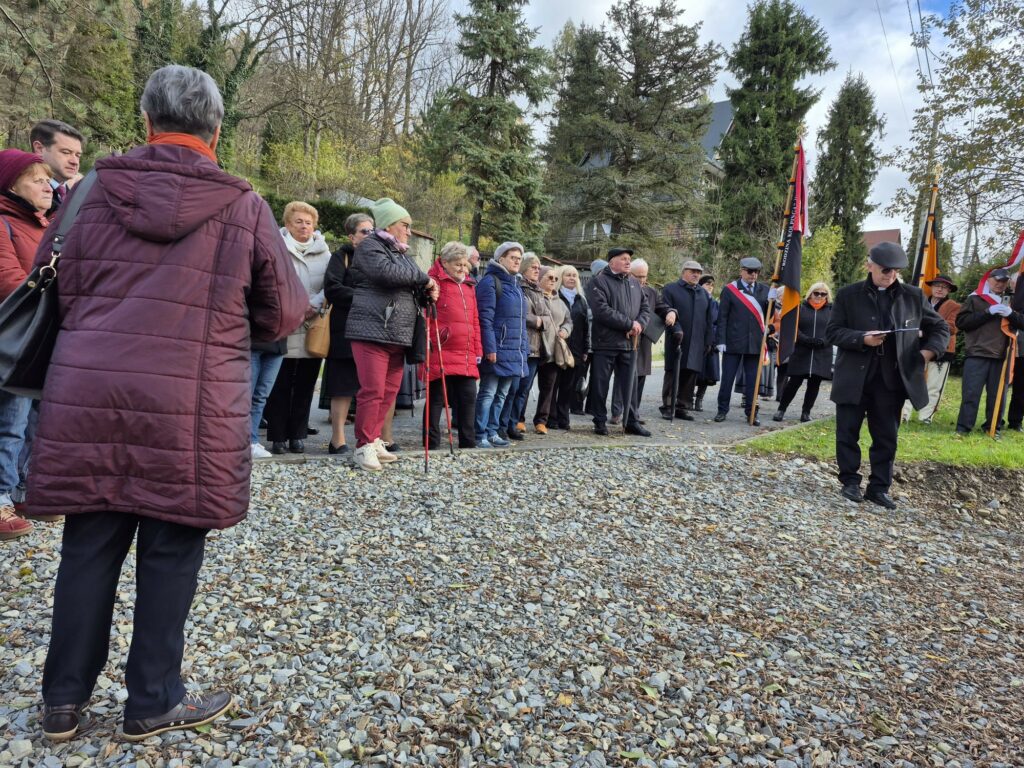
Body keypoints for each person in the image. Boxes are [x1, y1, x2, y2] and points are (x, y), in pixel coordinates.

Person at [25, 64, 307, 742]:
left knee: (88, 545)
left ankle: (61, 706)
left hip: (90, 392)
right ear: (215, 129)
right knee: (172, 549)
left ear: (147, 122)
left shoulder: (89, 191)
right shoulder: (241, 203)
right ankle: (151, 701)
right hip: (192, 396)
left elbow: (47, 282)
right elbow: (284, 312)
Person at [826, 242, 948, 509]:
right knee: (847, 432)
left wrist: (928, 353)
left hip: (891, 379)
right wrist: (862, 338)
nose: (890, 275)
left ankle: (879, 487)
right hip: (854, 377)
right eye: (885, 270)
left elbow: (940, 327)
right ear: (870, 265)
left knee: (886, 437)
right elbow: (833, 331)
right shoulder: (848, 295)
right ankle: (849, 481)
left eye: (895, 271)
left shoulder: (913, 296)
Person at [346, 198, 437, 470]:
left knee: (388, 392)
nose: (409, 231)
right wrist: (424, 279)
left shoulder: (400, 252)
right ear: (388, 224)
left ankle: (373, 439)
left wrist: (427, 291)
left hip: (397, 333)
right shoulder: (370, 246)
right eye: (405, 225)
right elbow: (386, 274)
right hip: (371, 329)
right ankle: (362, 446)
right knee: (372, 390)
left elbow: (412, 281)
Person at [0, 150, 54, 540]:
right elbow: (9, 282)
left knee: (35, 420)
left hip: (38, 337)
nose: (46, 185)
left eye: (46, 179)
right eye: (36, 178)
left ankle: (23, 490)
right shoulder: (3, 223)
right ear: (11, 185)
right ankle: (1, 497)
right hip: (14, 338)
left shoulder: (43, 224)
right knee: (10, 422)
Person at [262, 202, 331, 454]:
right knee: (279, 384)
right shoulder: (276, 248)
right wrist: (293, 307)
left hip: (313, 325)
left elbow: (329, 284)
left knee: (305, 384)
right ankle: (278, 436)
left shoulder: (325, 253)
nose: (304, 226)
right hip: (284, 323)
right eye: (299, 221)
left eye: (309, 222)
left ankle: (298, 435)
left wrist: (311, 305)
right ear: (288, 224)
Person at [585, 247, 651, 436]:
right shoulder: (599, 282)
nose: (628, 262)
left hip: (630, 344)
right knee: (600, 384)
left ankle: (631, 421)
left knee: (629, 385)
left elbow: (645, 308)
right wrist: (629, 324)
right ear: (612, 261)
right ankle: (599, 421)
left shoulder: (634, 282)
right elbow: (601, 311)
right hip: (605, 343)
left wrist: (639, 324)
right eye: (623, 259)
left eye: (629, 258)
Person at [322, 213, 374, 454]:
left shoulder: (377, 257)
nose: (370, 235)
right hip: (345, 329)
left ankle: (369, 438)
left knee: (370, 386)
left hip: (372, 330)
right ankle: (337, 439)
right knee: (342, 386)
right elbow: (332, 288)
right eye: (364, 231)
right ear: (351, 236)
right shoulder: (341, 256)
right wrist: (363, 298)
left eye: (372, 230)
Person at [424, 241, 482, 449]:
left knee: (468, 397)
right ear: (445, 262)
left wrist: (478, 349)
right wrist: (430, 340)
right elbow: (426, 316)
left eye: (465, 265)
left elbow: (475, 319)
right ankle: (431, 442)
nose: (463, 269)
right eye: (458, 264)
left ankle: (468, 442)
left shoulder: (469, 286)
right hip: (441, 348)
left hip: (465, 352)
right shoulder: (433, 281)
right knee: (436, 398)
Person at [954, 268, 1024, 435]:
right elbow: (962, 322)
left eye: (1004, 281)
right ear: (988, 279)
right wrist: (987, 313)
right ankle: (963, 428)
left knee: (998, 396)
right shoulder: (975, 299)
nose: (1000, 284)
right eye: (997, 280)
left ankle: (993, 428)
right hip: (977, 352)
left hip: (1004, 355)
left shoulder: (1013, 302)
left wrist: (1011, 314)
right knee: (971, 393)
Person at [475, 242, 528, 448]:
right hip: (497, 349)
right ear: (500, 259)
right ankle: (480, 434)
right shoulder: (490, 282)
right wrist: (490, 348)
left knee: (502, 394)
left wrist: (522, 349)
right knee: (488, 393)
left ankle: (493, 431)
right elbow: (485, 319)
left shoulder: (516, 284)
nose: (517, 261)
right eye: (513, 257)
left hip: (513, 351)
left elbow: (521, 322)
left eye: (519, 258)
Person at [714, 257, 771, 425]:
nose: (753, 275)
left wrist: (774, 302)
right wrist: (721, 340)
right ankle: (722, 410)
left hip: (754, 343)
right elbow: (722, 317)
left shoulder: (765, 290)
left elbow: (768, 316)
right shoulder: (730, 290)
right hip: (733, 341)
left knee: (753, 382)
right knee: (727, 379)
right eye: (750, 271)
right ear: (741, 271)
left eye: (756, 272)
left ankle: (752, 412)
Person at [611, 258, 666, 423]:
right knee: (624, 376)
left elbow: (661, 307)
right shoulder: (621, 288)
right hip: (626, 338)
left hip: (644, 341)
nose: (642, 280)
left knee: (640, 376)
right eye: (638, 276)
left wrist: (670, 312)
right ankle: (617, 412)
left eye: (644, 276)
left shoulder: (651, 292)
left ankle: (633, 413)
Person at [901, 274, 960, 425]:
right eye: (937, 286)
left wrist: (926, 331)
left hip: (941, 349)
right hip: (916, 346)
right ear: (931, 287)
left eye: (944, 287)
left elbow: (952, 327)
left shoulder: (954, 306)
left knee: (934, 385)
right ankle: (903, 414)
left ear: (948, 290)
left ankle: (926, 417)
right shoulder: (920, 301)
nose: (940, 289)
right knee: (909, 380)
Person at [660, 260, 713, 421]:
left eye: (698, 272)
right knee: (673, 372)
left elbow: (709, 319)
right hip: (677, 338)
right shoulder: (671, 289)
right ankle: (668, 406)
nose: (696, 274)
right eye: (692, 271)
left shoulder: (703, 293)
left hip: (697, 341)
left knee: (690, 374)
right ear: (684, 272)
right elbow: (665, 312)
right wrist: (674, 329)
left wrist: (709, 340)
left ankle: (682, 406)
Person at [773, 282, 833, 422]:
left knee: (814, 385)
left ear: (827, 296)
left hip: (822, 352)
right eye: (816, 293)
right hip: (802, 351)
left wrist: (824, 341)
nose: (819, 296)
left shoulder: (832, 311)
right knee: (793, 383)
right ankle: (781, 409)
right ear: (810, 293)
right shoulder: (800, 308)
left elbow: (834, 330)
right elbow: (793, 327)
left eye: (823, 294)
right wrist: (805, 339)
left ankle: (806, 412)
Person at [506, 253, 548, 438]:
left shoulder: (539, 291)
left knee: (523, 390)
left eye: (539, 268)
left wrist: (540, 320)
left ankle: (514, 423)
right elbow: (521, 312)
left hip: (537, 348)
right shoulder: (519, 286)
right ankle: (505, 423)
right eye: (534, 267)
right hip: (522, 345)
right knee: (513, 388)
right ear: (524, 268)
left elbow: (548, 317)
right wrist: (537, 320)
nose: (537, 270)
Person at [531, 266, 572, 433]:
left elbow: (569, 321)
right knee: (524, 387)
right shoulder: (533, 297)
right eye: (549, 277)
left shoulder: (560, 302)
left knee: (548, 388)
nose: (553, 281)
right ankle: (518, 418)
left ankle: (541, 420)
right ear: (540, 278)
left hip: (553, 350)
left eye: (555, 278)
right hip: (534, 347)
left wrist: (566, 330)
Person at [552, 265, 589, 429]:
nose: (572, 278)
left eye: (575, 275)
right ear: (561, 277)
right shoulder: (555, 296)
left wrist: (586, 349)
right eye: (568, 275)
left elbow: (586, 326)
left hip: (576, 350)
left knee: (568, 387)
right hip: (556, 347)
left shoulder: (581, 299)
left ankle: (563, 418)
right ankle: (550, 418)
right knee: (553, 385)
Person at [29, 119, 84, 213]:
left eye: (78, 155)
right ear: (39, 149)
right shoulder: (26, 196)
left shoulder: (77, 197)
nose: (75, 161)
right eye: (66, 152)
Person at [694, 275, 720, 411]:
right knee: (693, 372)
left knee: (707, 375)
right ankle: (686, 398)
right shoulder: (696, 300)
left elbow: (719, 323)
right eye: (707, 283)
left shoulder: (715, 304)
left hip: (712, 342)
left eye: (712, 284)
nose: (710, 286)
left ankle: (699, 399)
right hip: (698, 341)